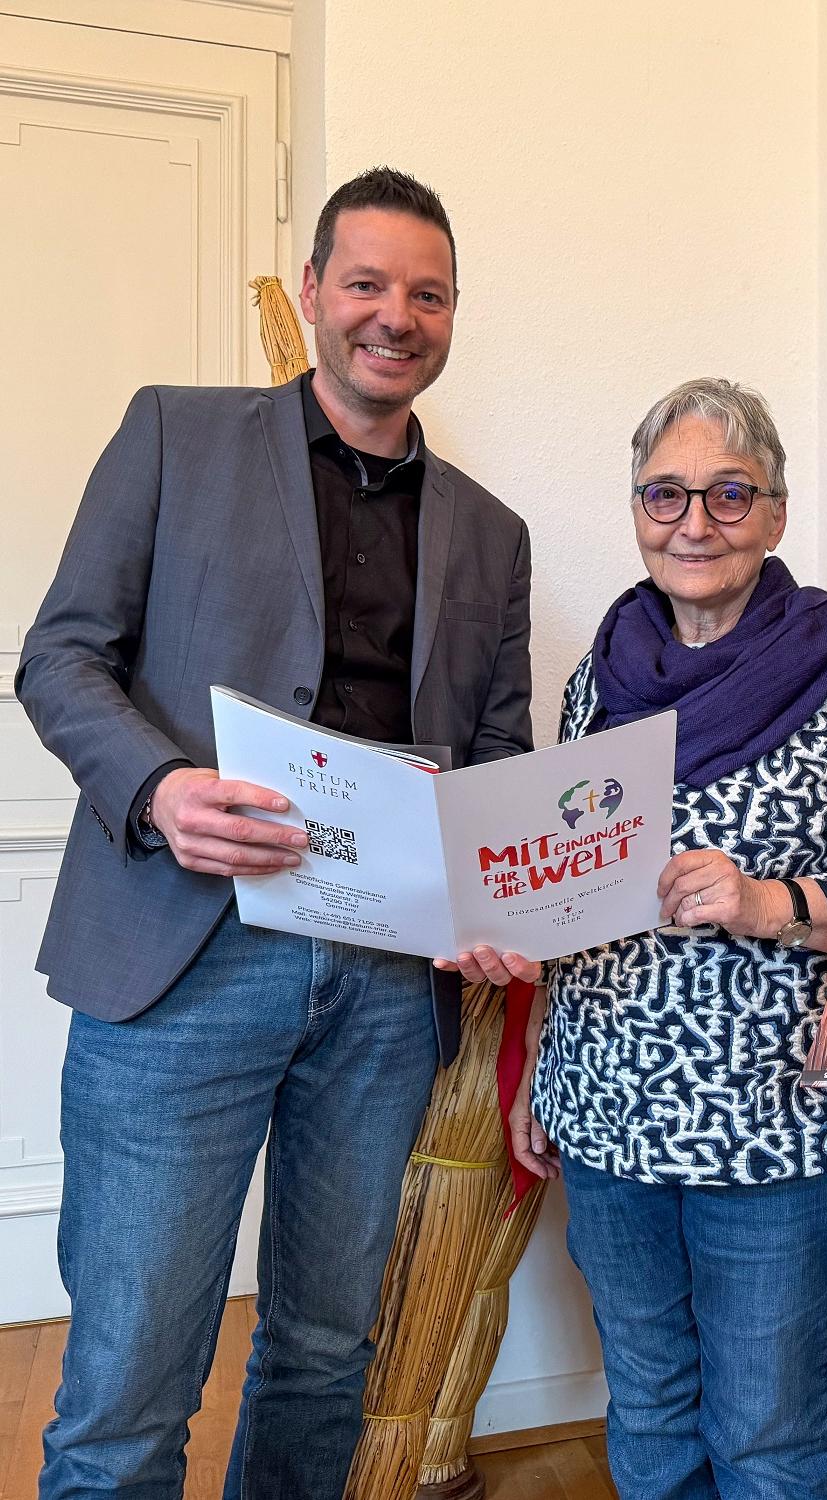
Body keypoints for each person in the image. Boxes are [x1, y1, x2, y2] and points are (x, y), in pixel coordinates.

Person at [17, 166, 535, 1498]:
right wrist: (156, 791)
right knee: (133, 1372)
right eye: (366, 283)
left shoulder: (493, 533)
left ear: (454, 313)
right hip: (181, 959)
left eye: (427, 293)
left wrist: (493, 899)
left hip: (380, 988)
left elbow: (493, 756)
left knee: (324, 1349)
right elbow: (61, 659)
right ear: (312, 293)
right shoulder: (174, 435)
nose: (394, 315)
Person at [500, 377, 827, 1500]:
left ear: (777, 514)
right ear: (636, 508)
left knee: (770, 1437)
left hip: (787, 1126)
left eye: (729, 494)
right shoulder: (598, 677)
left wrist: (773, 903)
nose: (694, 521)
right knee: (650, 1415)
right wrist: (536, 1069)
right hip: (606, 1110)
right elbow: (564, 897)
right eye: (666, 494)